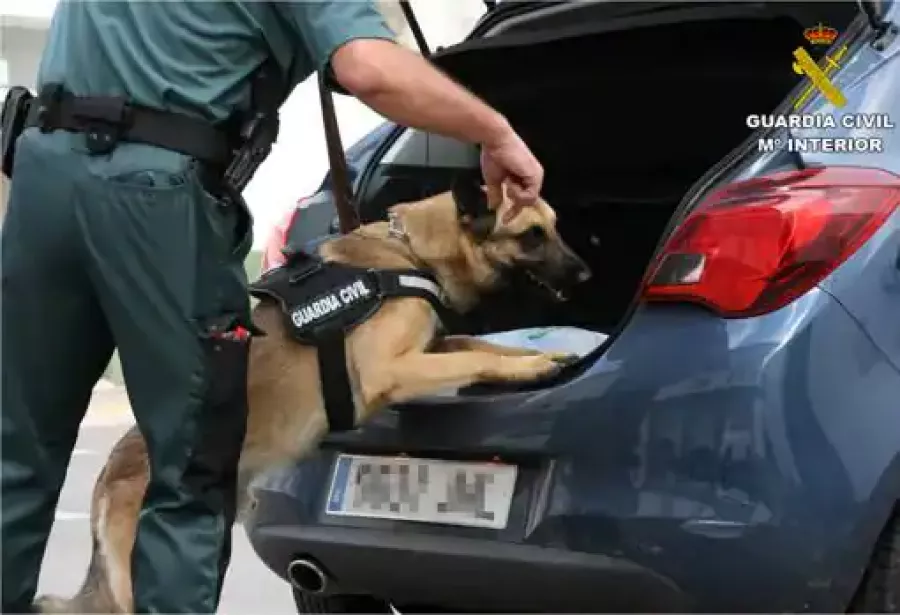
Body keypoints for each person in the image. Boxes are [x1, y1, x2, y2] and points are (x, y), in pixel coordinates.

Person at [0, 1, 544, 613]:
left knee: (16, 455)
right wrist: (494, 132)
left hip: (42, 173)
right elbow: (367, 66)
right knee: (191, 471)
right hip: (154, 198)